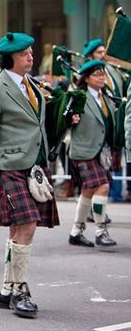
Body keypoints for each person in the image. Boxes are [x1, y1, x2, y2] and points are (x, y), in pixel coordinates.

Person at [0, 32, 79, 319]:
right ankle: (20, 290)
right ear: (10, 58)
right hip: (7, 164)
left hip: (33, 167)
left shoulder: (32, 85)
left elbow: (39, 126)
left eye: (31, 52)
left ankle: (7, 289)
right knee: (27, 224)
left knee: (19, 229)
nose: (31, 57)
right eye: (25, 54)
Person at [68, 60, 117, 247]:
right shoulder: (78, 96)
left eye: (103, 74)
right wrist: (70, 118)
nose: (101, 78)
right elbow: (65, 116)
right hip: (84, 150)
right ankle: (100, 230)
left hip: (101, 151)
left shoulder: (106, 98)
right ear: (86, 79)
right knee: (102, 186)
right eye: (97, 75)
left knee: (89, 190)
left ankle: (76, 231)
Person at [83, 39, 126, 204]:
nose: (103, 55)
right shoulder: (84, 73)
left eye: (103, 52)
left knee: (111, 164)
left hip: (112, 122)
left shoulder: (112, 71)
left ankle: (112, 197)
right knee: (97, 179)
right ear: (91, 55)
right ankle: (93, 210)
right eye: (99, 52)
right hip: (94, 127)